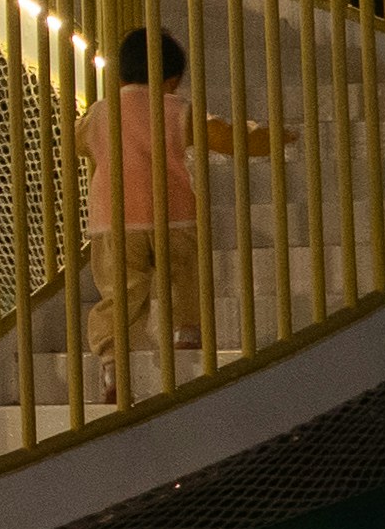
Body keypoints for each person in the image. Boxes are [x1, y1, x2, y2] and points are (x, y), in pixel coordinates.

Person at [77, 25, 282, 374]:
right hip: (173, 213)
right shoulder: (176, 108)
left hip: (113, 220)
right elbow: (226, 138)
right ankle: (187, 331)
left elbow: (76, 141)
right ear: (172, 79)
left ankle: (113, 359)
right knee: (186, 275)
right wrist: (270, 136)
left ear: (120, 76)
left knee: (121, 292)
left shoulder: (99, 113)